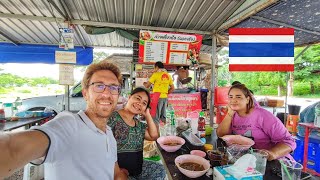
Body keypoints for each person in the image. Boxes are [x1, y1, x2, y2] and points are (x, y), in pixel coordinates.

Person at [0, 61, 127, 179]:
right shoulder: (69, 124)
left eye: (113, 87)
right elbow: (12, 148)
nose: (106, 94)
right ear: (85, 94)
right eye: (99, 86)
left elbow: (115, 172)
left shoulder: (109, 134)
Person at [216, 83, 296, 161]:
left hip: (273, 162)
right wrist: (229, 113)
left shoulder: (262, 115)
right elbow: (221, 134)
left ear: (247, 99)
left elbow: (289, 142)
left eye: (238, 97)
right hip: (249, 160)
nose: (233, 100)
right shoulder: (233, 114)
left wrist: (272, 153)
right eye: (230, 97)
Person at [107, 87, 166, 179]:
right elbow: (100, 148)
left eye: (144, 103)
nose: (139, 103)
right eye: (137, 98)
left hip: (137, 170)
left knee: (160, 169)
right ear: (129, 97)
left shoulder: (138, 124)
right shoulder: (113, 118)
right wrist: (116, 171)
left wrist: (147, 114)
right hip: (118, 174)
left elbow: (154, 136)